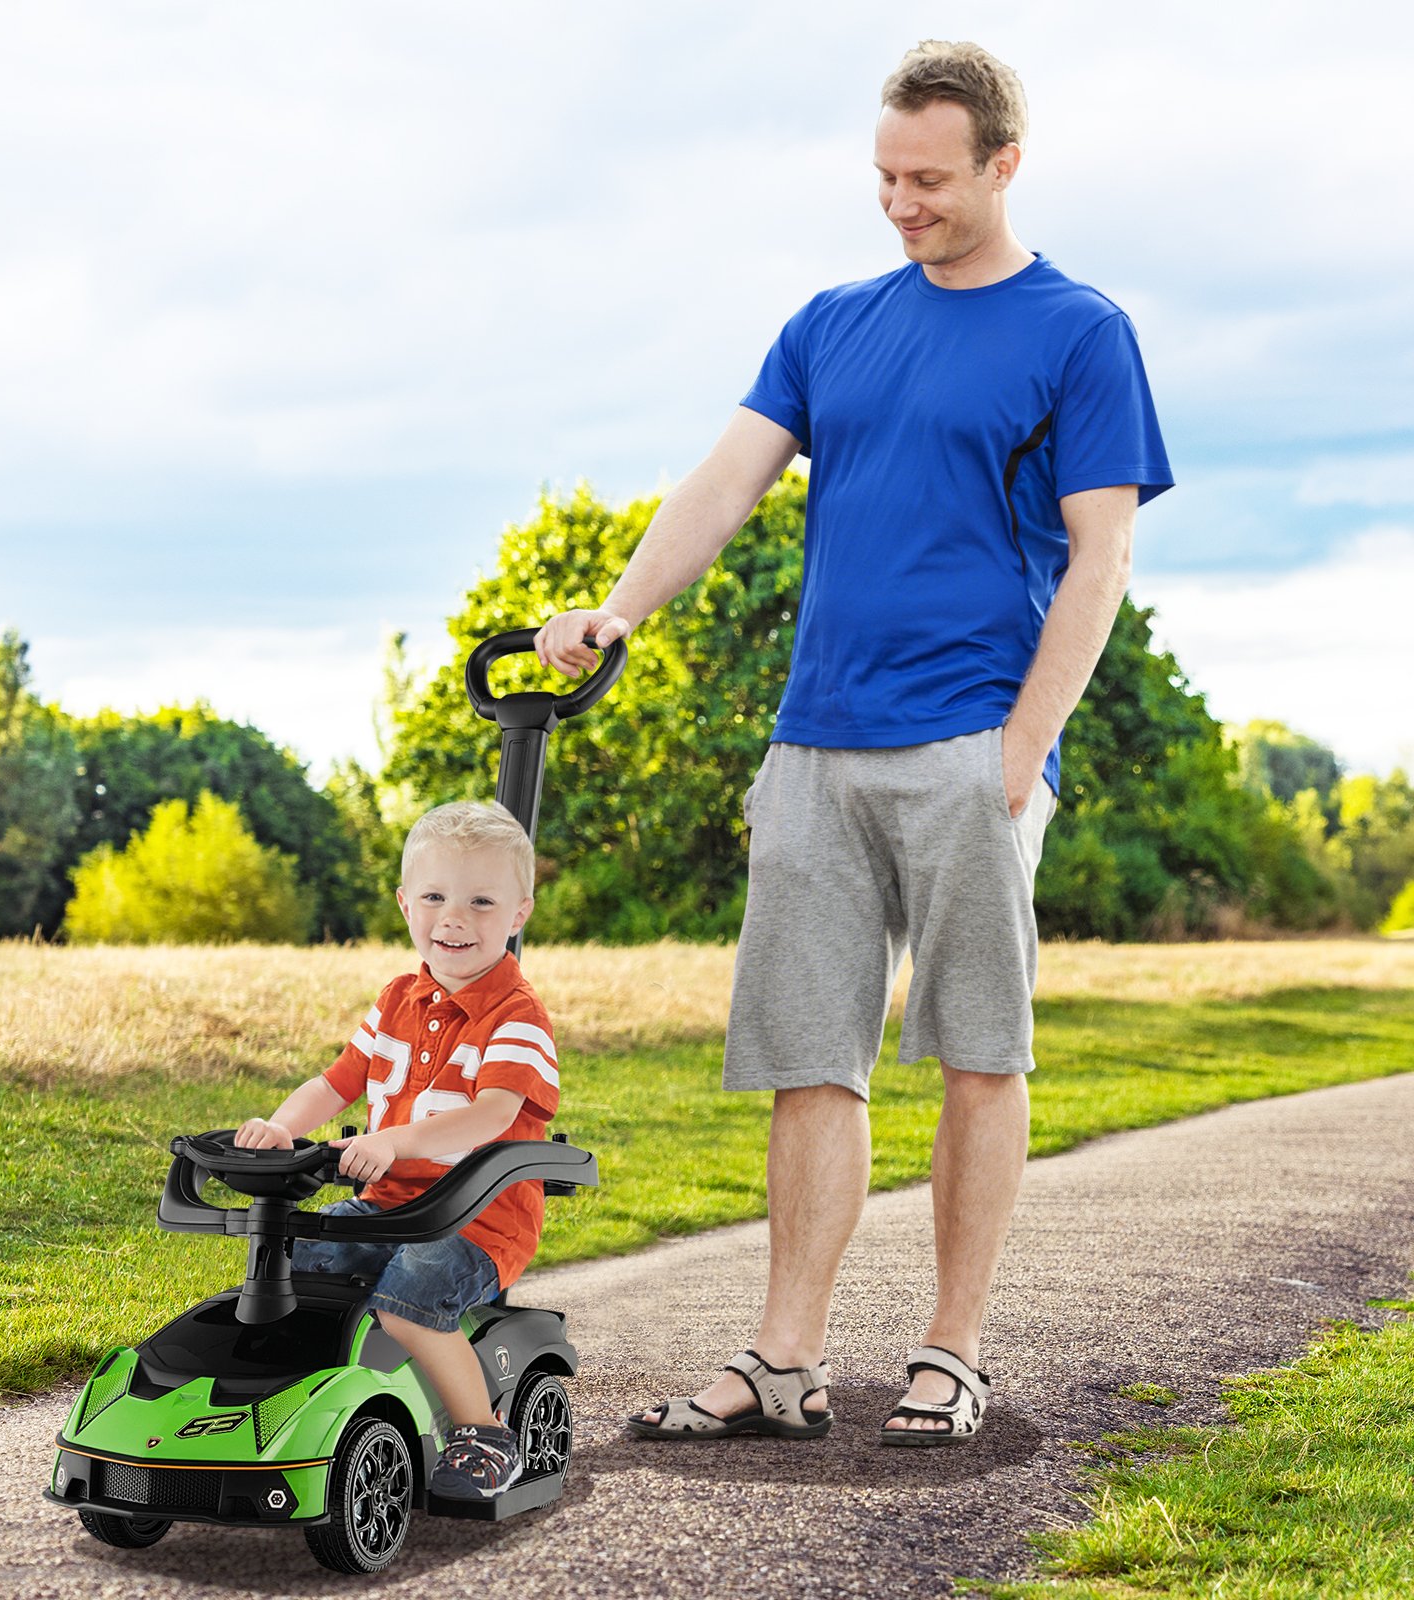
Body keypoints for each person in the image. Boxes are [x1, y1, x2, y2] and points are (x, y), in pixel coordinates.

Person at [536, 39, 1172, 1447]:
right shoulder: (830, 324)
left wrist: (1023, 749)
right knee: (808, 1057)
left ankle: (950, 1351)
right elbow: (724, 482)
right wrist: (619, 609)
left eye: (929, 179)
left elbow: (1102, 557)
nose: (901, 203)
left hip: (972, 743)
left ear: (1004, 163)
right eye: (884, 177)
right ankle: (783, 1361)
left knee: (978, 1053)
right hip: (815, 745)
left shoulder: (1079, 331)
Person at [235, 800, 559, 1496]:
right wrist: (282, 1128)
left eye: (480, 902)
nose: (454, 919)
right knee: (302, 1262)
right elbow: (337, 1082)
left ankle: (485, 1434)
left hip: (479, 1222)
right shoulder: (395, 1000)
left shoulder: (518, 1015)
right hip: (390, 1207)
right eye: (435, 898)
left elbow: (491, 1115)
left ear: (518, 914)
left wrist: (391, 1140)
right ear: (405, 903)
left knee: (413, 1293)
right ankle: (300, 1405)